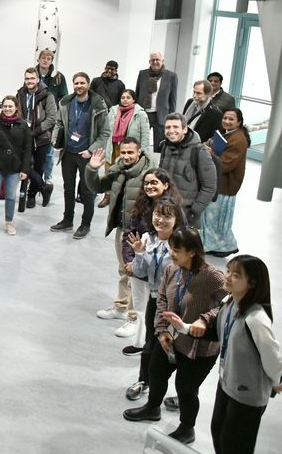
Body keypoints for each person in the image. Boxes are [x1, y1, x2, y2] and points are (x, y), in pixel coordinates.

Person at [123, 227, 226, 446]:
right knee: (156, 371)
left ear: (192, 252)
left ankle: (187, 428)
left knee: (186, 389)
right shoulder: (172, 269)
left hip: (199, 347)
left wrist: (205, 319)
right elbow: (161, 299)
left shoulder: (213, 276)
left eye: (176, 250)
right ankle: (152, 408)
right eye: (171, 248)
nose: (172, 253)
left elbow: (227, 305)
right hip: (170, 339)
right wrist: (161, 330)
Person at [206, 255, 282, 454]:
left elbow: (272, 356)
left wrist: (276, 380)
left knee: (235, 446)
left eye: (236, 275)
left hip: (248, 396)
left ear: (252, 283)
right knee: (218, 434)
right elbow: (215, 331)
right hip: (227, 383)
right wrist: (185, 328)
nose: (228, 276)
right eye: (229, 270)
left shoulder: (256, 319)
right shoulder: (229, 304)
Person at [85, 138, 154, 338]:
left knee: (137, 275)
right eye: (123, 152)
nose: (126, 156)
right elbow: (97, 186)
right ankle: (121, 307)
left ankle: (134, 318)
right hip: (122, 228)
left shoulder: (148, 173)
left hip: (140, 232)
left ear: (139, 152)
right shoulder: (118, 169)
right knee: (124, 269)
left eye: (130, 152)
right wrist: (92, 168)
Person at [123, 199, 187, 401]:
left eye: (167, 216)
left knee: (177, 347)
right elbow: (140, 271)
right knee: (150, 343)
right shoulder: (146, 238)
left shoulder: (183, 243)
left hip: (177, 303)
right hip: (155, 299)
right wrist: (139, 253)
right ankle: (144, 381)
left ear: (177, 220)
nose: (160, 220)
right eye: (157, 214)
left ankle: (182, 393)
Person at [120, 169, 185, 360]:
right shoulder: (141, 205)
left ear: (166, 185)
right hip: (141, 268)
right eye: (146, 183)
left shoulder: (175, 208)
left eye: (154, 182)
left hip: (163, 280)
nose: (149, 186)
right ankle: (141, 343)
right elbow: (130, 234)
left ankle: (153, 348)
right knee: (141, 308)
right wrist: (131, 260)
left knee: (159, 315)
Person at [49, 72, 111, 239]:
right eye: (76, 83)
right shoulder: (66, 102)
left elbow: (105, 133)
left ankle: (85, 224)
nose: (79, 86)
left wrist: (91, 150)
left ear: (88, 84)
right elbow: (59, 123)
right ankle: (67, 220)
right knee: (68, 189)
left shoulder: (98, 105)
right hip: (68, 153)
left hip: (87, 155)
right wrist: (56, 140)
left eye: (82, 83)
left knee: (87, 192)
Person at [202, 108, 250, 257]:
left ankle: (221, 245)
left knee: (216, 219)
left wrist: (210, 153)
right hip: (220, 183)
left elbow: (226, 163)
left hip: (225, 186)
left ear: (239, 122)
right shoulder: (230, 134)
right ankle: (213, 244)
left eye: (231, 119)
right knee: (214, 219)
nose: (227, 121)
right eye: (225, 118)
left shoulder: (238, 139)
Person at [0, 96, 31, 236]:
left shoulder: (23, 125)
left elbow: (27, 149)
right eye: (5, 106)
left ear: (16, 107)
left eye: (10, 106)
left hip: (14, 169)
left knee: (10, 196)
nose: (7, 109)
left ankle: (9, 222)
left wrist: (24, 169)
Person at [158, 113, 217, 225]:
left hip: (186, 215)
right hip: (165, 210)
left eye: (175, 127)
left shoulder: (199, 151)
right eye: (168, 127)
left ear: (184, 129)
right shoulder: (165, 146)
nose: (171, 130)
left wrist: (194, 210)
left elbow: (210, 187)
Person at [97, 89, 151, 208]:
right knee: (110, 171)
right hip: (114, 147)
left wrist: (145, 153)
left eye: (128, 97)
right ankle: (107, 196)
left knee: (127, 174)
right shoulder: (114, 110)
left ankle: (123, 198)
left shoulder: (140, 113)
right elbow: (106, 129)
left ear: (133, 99)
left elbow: (145, 135)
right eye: (123, 97)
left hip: (129, 150)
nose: (125, 100)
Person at [16, 67, 56, 209]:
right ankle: (44, 187)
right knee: (22, 164)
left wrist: (37, 131)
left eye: (32, 78)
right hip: (23, 136)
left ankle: (31, 194)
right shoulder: (20, 94)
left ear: (38, 79)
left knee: (38, 167)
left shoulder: (47, 95)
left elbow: (52, 118)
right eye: (27, 78)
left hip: (41, 137)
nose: (30, 81)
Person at [135, 52, 178, 153]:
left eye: (157, 60)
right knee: (140, 142)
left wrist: (171, 117)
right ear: (149, 61)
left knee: (159, 144)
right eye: (152, 60)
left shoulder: (171, 76)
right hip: (144, 113)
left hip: (161, 115)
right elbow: (137, 93)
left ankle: (158, 166)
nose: (155, 62)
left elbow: (173, 99)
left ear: (162, 61)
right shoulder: (142, 74)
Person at [37, 50, 68, 183]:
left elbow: (65, 97)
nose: (45, 60)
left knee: (49, 151)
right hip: (35, 117)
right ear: (39, 59)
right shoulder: (32, 74)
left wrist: (57, 113)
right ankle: (34, 178)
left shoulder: (58, 77)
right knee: (34, 149)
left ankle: (47, 178)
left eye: (48, 58)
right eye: (43, 58)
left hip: (51, 118)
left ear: (51, 61)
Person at [181, 80, 223, 145]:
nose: (195, 95)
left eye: (199, 93)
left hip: (197, 147)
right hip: (182, 142)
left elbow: (214, 138)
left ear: (208, 94)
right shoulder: (189, 102)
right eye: (194, 92)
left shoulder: (215, 113)